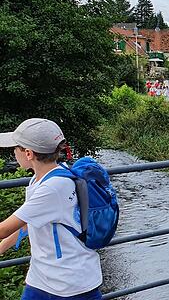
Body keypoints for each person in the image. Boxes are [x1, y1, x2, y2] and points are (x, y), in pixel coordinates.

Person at [0, 119, 103, 299]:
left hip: (71, 283)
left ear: (28, 153)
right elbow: (27, 222)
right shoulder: (45, 177)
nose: (13, 153)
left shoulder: (52, 188)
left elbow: (2, 230)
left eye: (15, 148)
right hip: (42, 277)